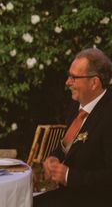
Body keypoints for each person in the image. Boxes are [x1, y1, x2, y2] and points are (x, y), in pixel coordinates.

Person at [34, 48, 112, 207]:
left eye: (74, 77)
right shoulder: (76, 106)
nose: (67, 82)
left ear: (94, 82)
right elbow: (67, 147)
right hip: (68, 195)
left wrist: (69, 176)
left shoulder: (109, 114)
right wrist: (53, 158)